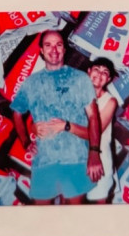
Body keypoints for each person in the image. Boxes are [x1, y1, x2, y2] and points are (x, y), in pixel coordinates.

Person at [11, 30, 103, 205]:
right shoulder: (31, 82)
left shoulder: (80, 79)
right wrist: (25, 141)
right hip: (44, 161)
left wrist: (94, 153)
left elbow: (93, 117)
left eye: (58, 45)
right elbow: (16, 113)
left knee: (72, 215)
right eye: (48, 45)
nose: (54, 50)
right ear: (41, 50)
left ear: (64, 49)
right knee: (42, 217)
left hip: (76, 160)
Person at [34, 57, 118, 203]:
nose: (99, 74)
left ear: (109, 79)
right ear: (89, 71)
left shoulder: (110, 101)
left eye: (105, 72)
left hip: (98, 160)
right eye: (96, 69)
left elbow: (94, 134)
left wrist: (66, 126)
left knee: (99, 206)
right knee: (68, 203)